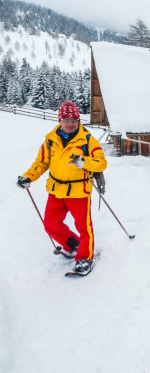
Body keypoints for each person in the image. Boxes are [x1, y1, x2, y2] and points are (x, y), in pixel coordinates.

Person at [17, 102, 107, 275]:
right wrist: (29, 176)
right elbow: (42, 162)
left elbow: (101, 163)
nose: (70, 123)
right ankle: (73, 244)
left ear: (78, 120)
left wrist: (84, 162)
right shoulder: (51, 140)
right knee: (50, 224)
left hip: (78, 192)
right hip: (56, 190)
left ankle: (84, 257)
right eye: (66, 119)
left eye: (73, 119)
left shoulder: (87, 140)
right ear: (60, 120)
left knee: (84, 227)